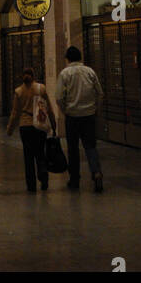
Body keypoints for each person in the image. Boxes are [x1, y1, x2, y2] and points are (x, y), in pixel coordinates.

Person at [56, 46, 104, 192]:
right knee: (90, 146)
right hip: (89, 115)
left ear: (68, 58)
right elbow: (100, 93)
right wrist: (95, 109)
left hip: (73, 116)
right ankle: (96, 172)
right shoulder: (90, 72)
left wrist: (66, 110)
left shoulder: (65, 74)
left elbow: (59, 97)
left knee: (73, 149)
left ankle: (75, 179)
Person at [6, 66, 57, 192]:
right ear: (33, 76)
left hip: (25, 127)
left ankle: (31, 185)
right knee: (40, 152)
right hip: (39, 125)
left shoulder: (19, 92)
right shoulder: (41, 88)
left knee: (28, 156)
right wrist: (54, 125)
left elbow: (15, 113)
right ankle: (43, 173)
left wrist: (10, 129)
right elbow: (49, 108)